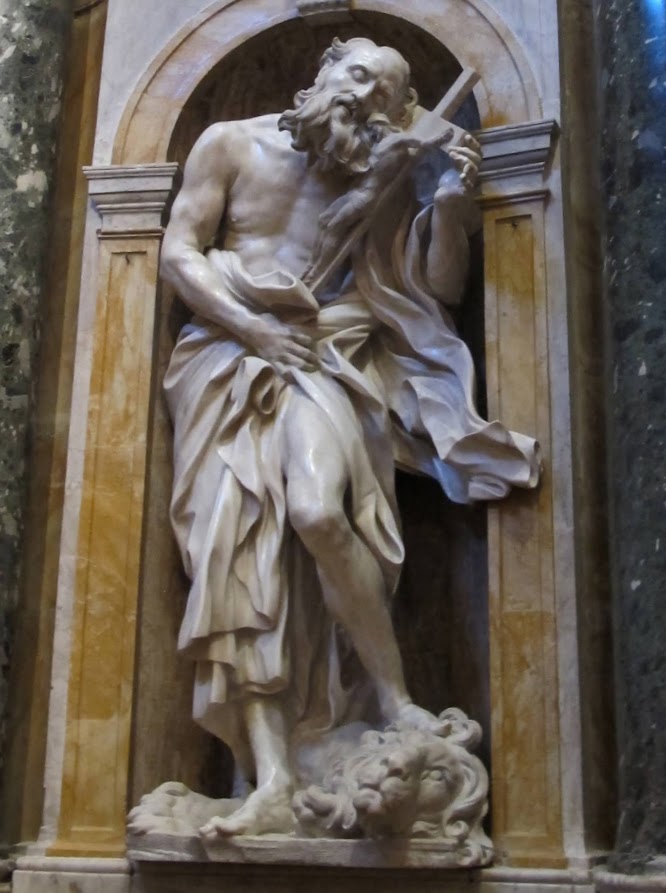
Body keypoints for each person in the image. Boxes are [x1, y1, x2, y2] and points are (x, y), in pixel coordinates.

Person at [160, 36, 540, 838]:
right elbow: (178, 252)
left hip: (328, 352)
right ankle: (270, 778)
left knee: (316, 510)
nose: (363, 97)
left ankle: (394, 699)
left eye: (383, 95)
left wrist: (449, 200)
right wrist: (255, 329)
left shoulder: (388, 173)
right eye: (357, 74)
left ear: (400, 113)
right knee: (239, 564)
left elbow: (436, 287)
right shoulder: (228, 142)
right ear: (325, 65)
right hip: (229, 356)